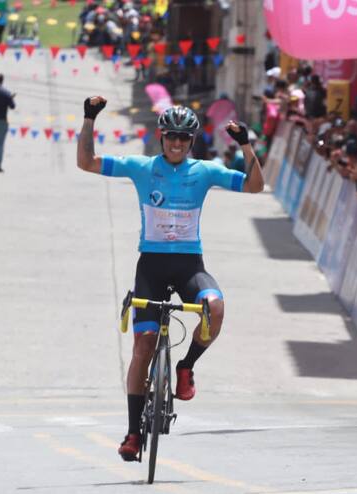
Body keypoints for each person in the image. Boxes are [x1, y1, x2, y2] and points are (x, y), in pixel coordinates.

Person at [76, 96, 265, 462]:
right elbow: (86, 162)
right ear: (161, 137)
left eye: (184, 138)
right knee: (143, 348)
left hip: (189, 266)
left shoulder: (205, 171)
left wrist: (245, 144)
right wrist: (89, 119)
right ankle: (133, 432)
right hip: (151, 266)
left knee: (216, 308)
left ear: (192, 142)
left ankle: (185, 366)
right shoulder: (142, 167)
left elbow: (255, 186)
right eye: (171, 137)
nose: (176, 144)